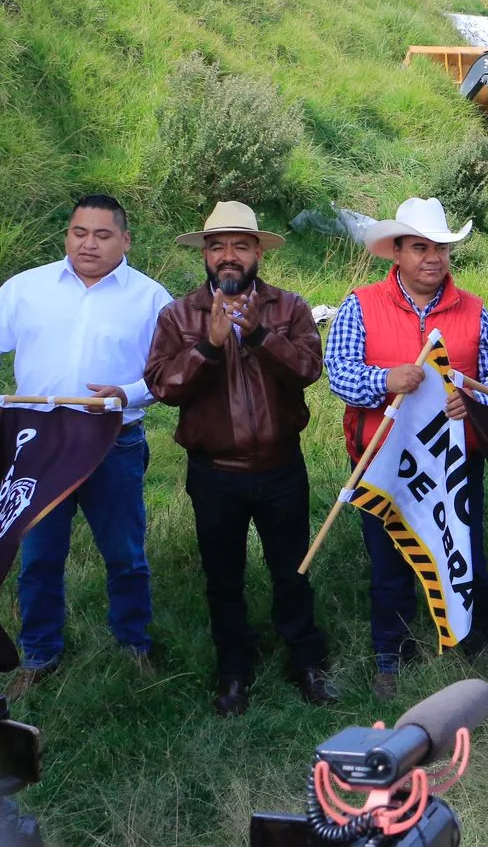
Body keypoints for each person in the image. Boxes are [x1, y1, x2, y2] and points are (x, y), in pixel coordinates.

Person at [144, 201, 334, 715]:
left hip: (280, 467)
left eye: (240, 245)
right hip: (214, 474)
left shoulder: (288, 307)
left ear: (257, 253)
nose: (228, 255)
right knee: (222, 576)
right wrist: (207, 346)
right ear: (205, 254)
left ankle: (306, 661)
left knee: (293, 569)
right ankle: (234, 670)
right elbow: (164, 386)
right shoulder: (178, 315)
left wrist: (257, 335)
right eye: (217, 246)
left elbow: (308, 370)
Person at [325, 196, 488, 698]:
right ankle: (392, 651)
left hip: (454, 462)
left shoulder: (473, 310)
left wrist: (469, 400)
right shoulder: (360, 304)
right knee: (388, 559)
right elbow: (340, 375)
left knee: (464, 546)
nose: (433, 257)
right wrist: (386, 378)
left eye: (441, 248)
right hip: (383, 461)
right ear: (397, 253)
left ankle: (475, 639)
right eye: (420, 247)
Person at [0, 194, 172, 699]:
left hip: (111, 441)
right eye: (80, 232)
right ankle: (38, 655)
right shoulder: (27, 289)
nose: (88, 244)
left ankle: (133, 645)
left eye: (101, 235)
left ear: (125, 240)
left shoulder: (150, 298)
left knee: (124, 553)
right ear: (67, 235)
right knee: (38, 555)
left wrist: (128, 394)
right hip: (40, 444)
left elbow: (165, 375)